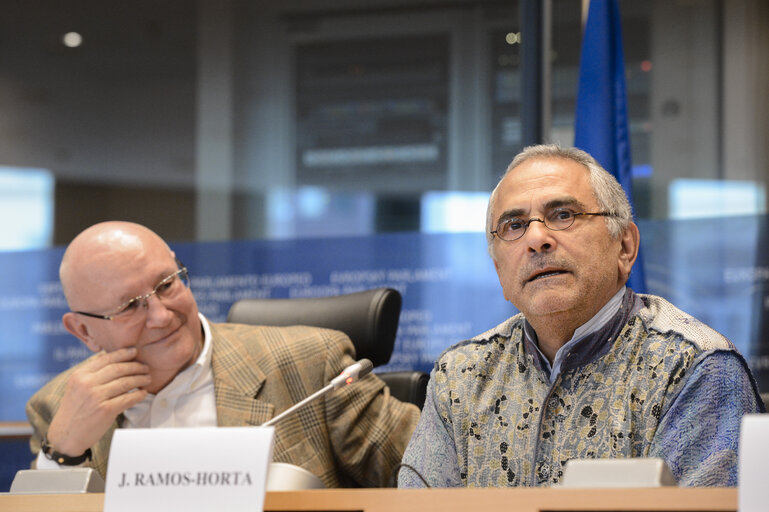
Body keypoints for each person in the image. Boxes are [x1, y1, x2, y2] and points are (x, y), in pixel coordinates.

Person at [398, 144, 763, 488]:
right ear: (499, 272)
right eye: (514, 225)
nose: (537, 238)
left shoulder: (693, 367)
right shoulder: (459, 377)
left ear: (624, 247)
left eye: (563, 215)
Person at [26, 221, 419, 488]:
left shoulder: (310, 365)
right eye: (130, 306)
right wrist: (61, 454)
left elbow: (433, 470)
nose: (162, 316)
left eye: (166, 284)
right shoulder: (57, 407)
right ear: (84, 330)